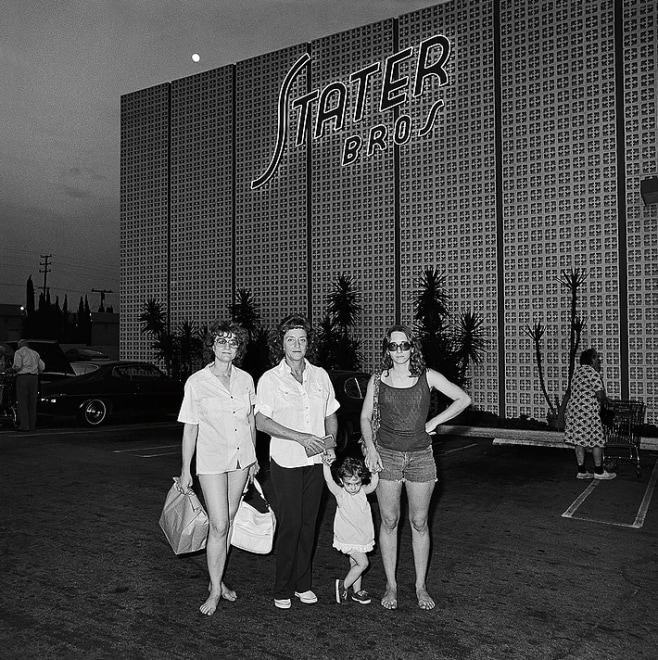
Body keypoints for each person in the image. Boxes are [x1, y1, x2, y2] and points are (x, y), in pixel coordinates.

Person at [360, 324, 471, 610]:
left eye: (404, 345)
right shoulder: (378, 379)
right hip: (387, 456)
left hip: (421, 457)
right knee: (389, 521)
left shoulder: (427, 376)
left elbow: (463, 399)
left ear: (413, 347)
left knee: (420, 523)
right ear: (387, 349)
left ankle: (420, 585)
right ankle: (391, 585)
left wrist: (434, 422)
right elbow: (365, 418)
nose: (399, 351)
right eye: (393, 346)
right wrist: (371, 447)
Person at [255, 313, 339, 609]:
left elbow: (330, 413)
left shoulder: (320, 375)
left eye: (302, 339)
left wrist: (330, 443)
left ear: (308, 344)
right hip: (286, 462)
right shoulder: (270, 379)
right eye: (291, 339)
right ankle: (282, 588)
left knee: (309, 523)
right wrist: (300, 437)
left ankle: (303, 584)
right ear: (282, 343)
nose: (297, 344)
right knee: (291, 523)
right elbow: (262, 421)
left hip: (316, 463)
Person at [177, 320, 259, 616]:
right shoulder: (197, 382)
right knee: (220, 524)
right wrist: (186, 469)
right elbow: (190, 428)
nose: (227, 347)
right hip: (211, 461)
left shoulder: (246, 380)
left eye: (233, 342)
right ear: (211, 346)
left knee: (231, 520)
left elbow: (250, 421)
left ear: (239, 349)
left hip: (241, 459)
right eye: (221, 341)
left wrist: (254, 459)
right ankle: (214, 590)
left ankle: (218, 577)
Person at [322, 455, 379, 605]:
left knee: (355, 564)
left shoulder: (362, 492)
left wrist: (375, 472)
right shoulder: (340, 494)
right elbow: (328, 481)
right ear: (341, 481)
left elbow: (373, 485)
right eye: (349, 484)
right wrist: (326, 466)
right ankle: (343, 585)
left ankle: (357, 592)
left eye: (357, 483)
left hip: (360, 536)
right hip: (348, 537)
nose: (353, 487)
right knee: (363, 564)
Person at [564, 348, 615, 480]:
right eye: (597, 357)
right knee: (597, 440)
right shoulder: (593, 374)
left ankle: (581, 470)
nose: (599, 360)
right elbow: (599, 395)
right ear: (591, 359)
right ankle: (598, 471)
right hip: (588, 413)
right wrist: (605, 399)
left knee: (578, 440)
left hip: (574, 412)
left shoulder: (577, 373)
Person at [12, 339, 45, 431]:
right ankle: (32, 425)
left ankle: (24, 425)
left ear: (20, 345)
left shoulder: (19, 352)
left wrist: (12, 368)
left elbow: (17, 365)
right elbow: (42, 366)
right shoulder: (35, 353)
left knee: (22, 402)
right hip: (34, 378)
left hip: (23, 377)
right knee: (32, 402)